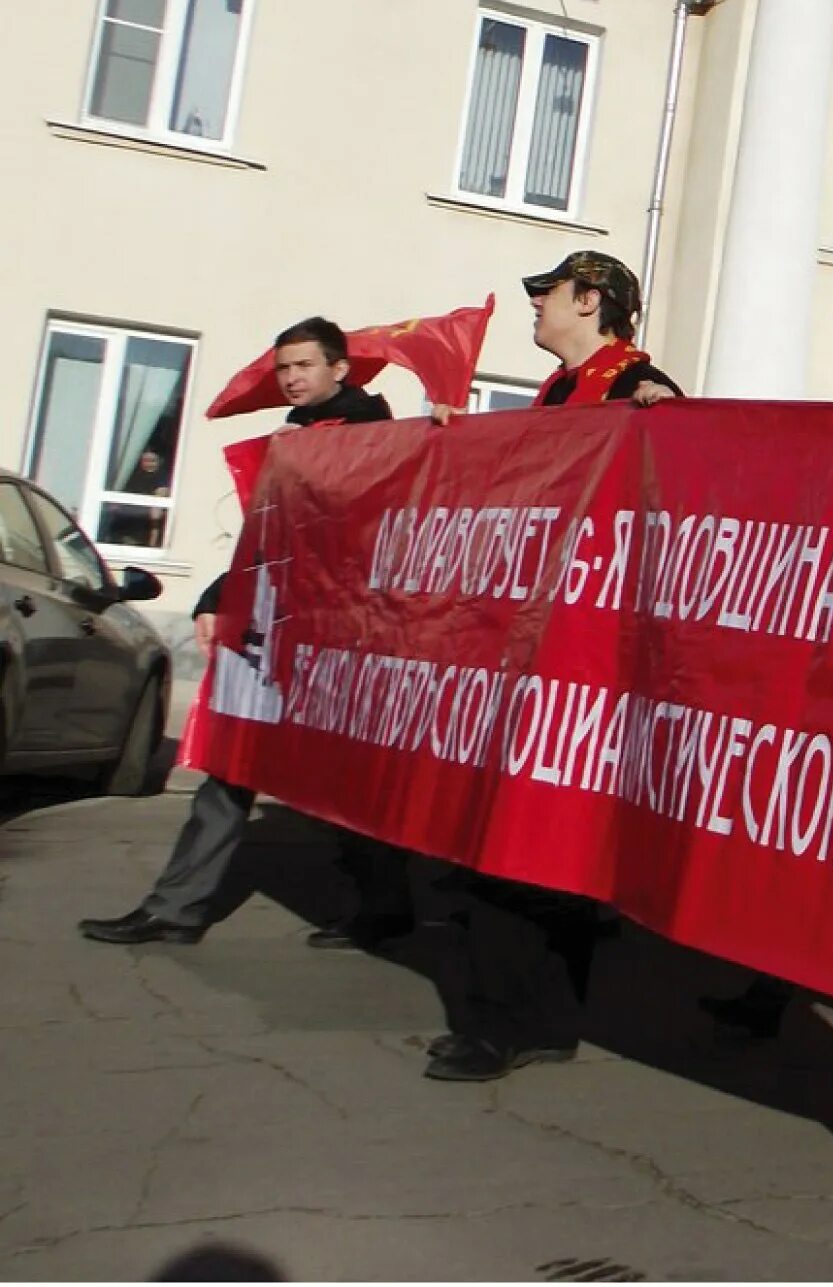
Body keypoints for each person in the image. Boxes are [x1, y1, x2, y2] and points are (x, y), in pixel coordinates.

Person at [424, 253, 679, 1085]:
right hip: (535, 651)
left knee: (525, 846)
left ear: (590, 300)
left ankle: (506, 1023)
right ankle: (538, 1020)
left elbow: (678, 490)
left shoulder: (639, 387)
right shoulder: (558, 392)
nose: (536, 306)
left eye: (548, 293)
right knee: (532, 851)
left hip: (584, 665)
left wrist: (670, 421)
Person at [79, 318, 406, 949]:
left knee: (339, 776)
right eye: (283, 368)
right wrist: (216, 597)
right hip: (274, 625)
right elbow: (270, 535)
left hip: (336, 635)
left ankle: (386, 906)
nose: (291, 379)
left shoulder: (372, 435)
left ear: (339, 369)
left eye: (304, 366)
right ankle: (176, 908)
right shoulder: (299, 433)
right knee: (232, 763)